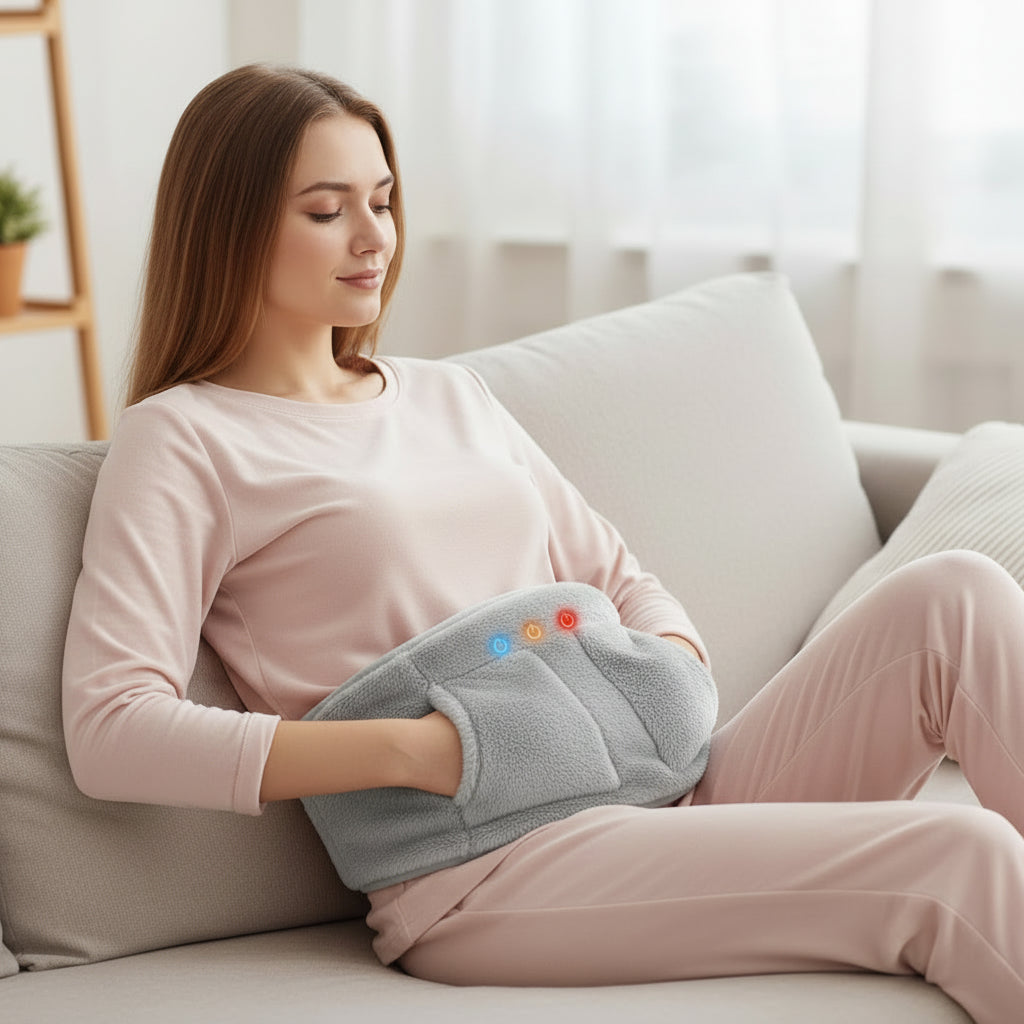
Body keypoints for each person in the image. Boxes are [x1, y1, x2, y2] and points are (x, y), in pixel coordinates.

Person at [61, 64, 1024, 1024]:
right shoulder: (186, 438)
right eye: (327, 210)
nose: (374, 237)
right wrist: (423, 751)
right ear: (231, 227)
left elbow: (620, 578)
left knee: (958, 595)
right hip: (489, 869)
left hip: (655, 783)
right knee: (958, 854)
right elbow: (112, 728)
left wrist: (674, 669)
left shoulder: (447, 393)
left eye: (383, 201)